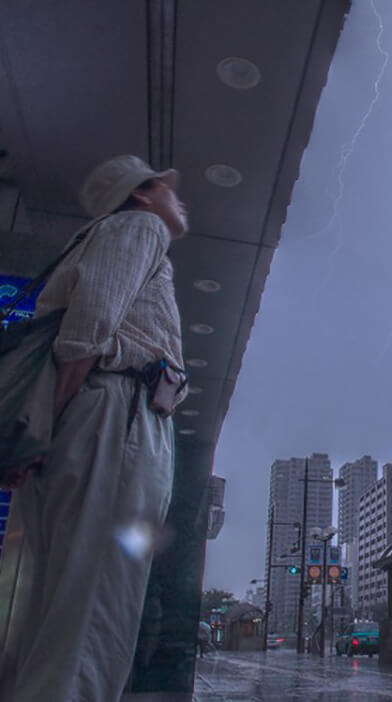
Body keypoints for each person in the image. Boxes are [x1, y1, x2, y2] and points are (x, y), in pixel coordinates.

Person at [0, 155, 189, 701]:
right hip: (116, 412)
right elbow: (89, 328)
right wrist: (49, 424)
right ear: (143, 193)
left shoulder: (110, 232)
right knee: (94, 606)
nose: (178, 198)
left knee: (57, 605)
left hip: (100, 413)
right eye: (166, 187)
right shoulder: (140, 226)